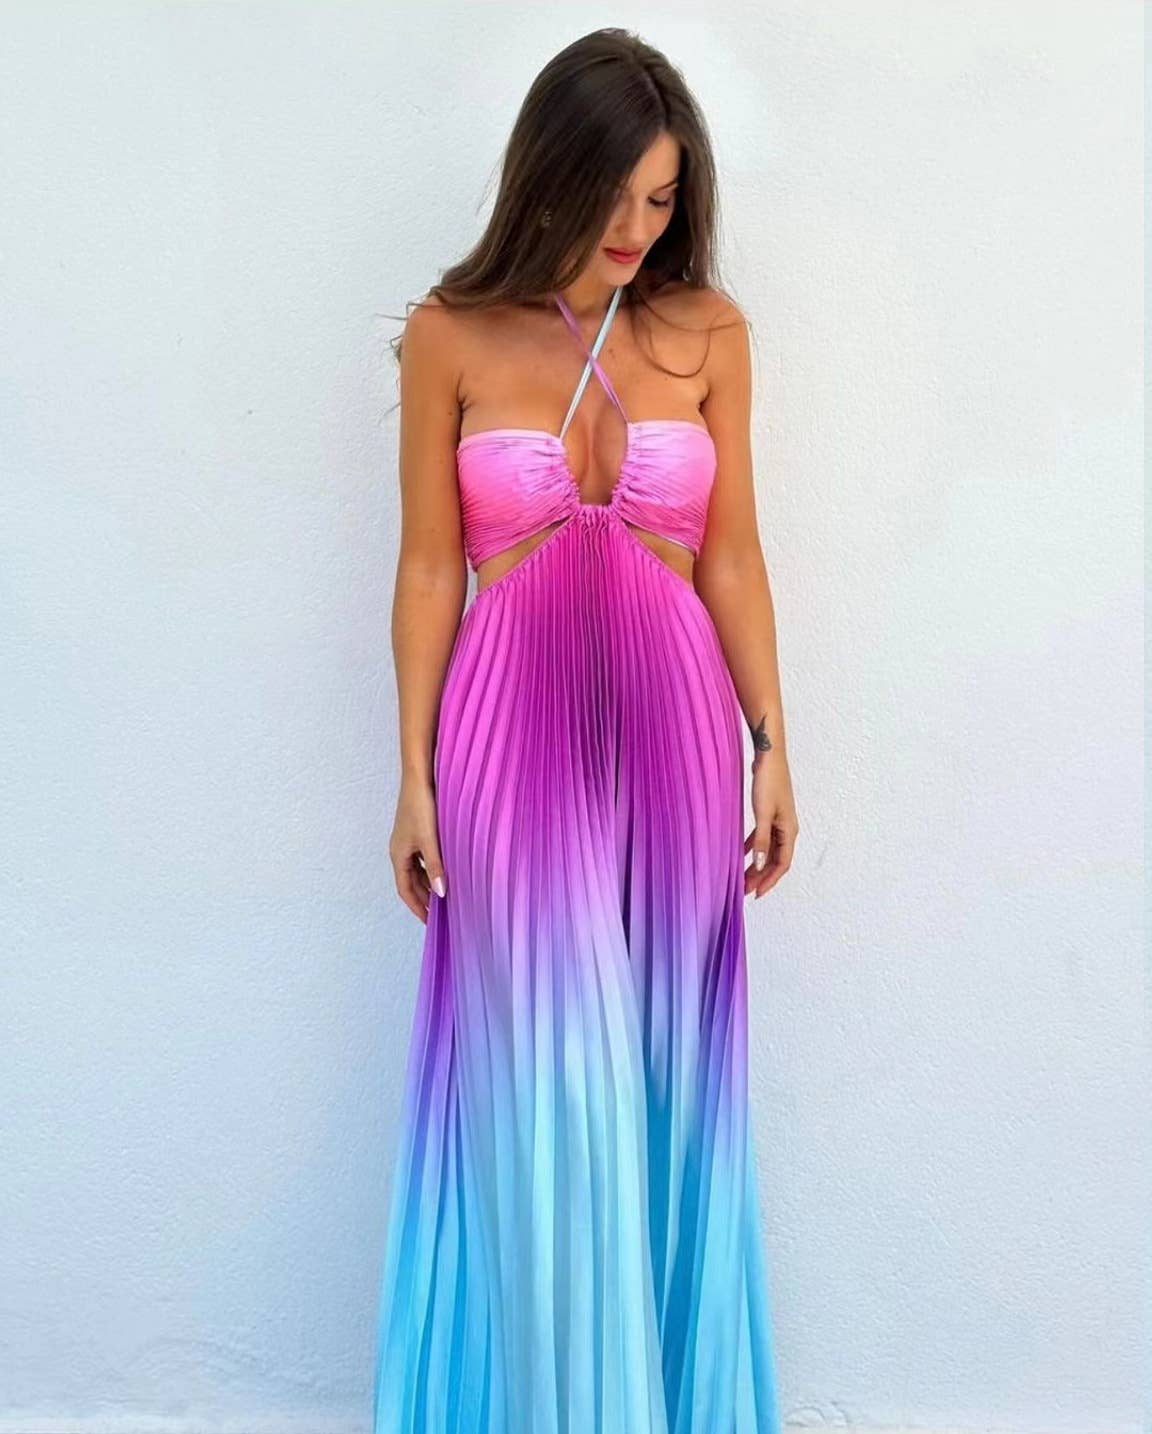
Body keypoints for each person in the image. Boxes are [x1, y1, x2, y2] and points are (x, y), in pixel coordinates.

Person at [373, 27, 799, 1434]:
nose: (636, 228)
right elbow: (428, 568)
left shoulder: (709, 332)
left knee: (669, 1067)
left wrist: (772, 742)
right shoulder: (449, 333)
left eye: (662, 199)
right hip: (510, 740)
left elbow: (732, 555)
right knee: (551, 1081)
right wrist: (413, 776)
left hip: (679, 735)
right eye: (613, 193)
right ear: (548, 173)